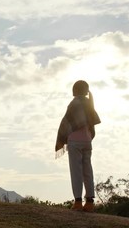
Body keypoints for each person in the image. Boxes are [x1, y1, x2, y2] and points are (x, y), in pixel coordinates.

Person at [55, 80, 101, 212]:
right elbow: (91, 124)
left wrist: (62, 138)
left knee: (76, 172)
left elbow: (67, 123)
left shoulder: (74, 104)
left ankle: (78, 202)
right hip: (87, 141)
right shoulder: (89, 104)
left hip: (74, 142)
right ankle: (90, 202)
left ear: (75, 91)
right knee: (88, 171)